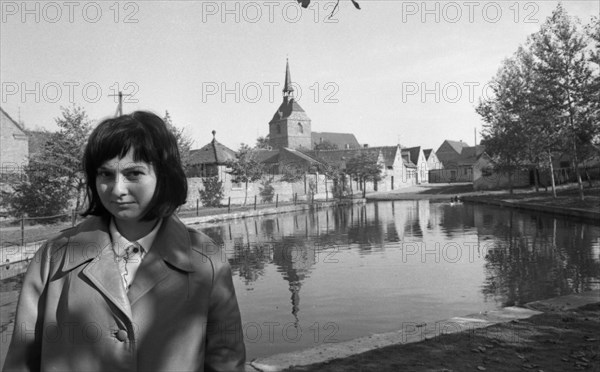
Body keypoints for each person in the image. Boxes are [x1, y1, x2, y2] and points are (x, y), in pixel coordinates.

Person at [3, 111, 246, 372]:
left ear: (163, 176)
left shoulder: (205, 259)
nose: (117, 189)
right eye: (106, 174)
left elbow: (225, 361)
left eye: (134, 174)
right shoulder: (53, 257)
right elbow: (22, 361)